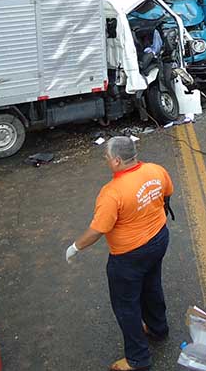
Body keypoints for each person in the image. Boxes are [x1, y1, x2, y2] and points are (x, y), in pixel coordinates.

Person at [66, 137, 173, 371]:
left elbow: (98, 230)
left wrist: (75, 247)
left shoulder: (111, 193)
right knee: (151, 286)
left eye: (106, 157)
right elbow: (166, 193)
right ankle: (158, 328)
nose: (105, 160)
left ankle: (137, 358)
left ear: (116, 160)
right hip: (158, 239)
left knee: (126, 305)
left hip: (129, 256)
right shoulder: (156, 170)